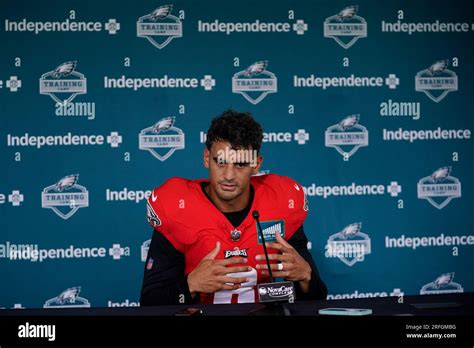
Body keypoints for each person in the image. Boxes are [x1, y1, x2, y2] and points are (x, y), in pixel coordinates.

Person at [140, 110, 327, 305]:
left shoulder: (281, 202)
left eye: (240, 164)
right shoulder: (177, 208)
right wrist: (191, 284)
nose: (229, 175)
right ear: (206, 158)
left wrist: (307, 277)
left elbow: (316, 299)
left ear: (256, 164)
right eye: (221, 162)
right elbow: (149, 303)